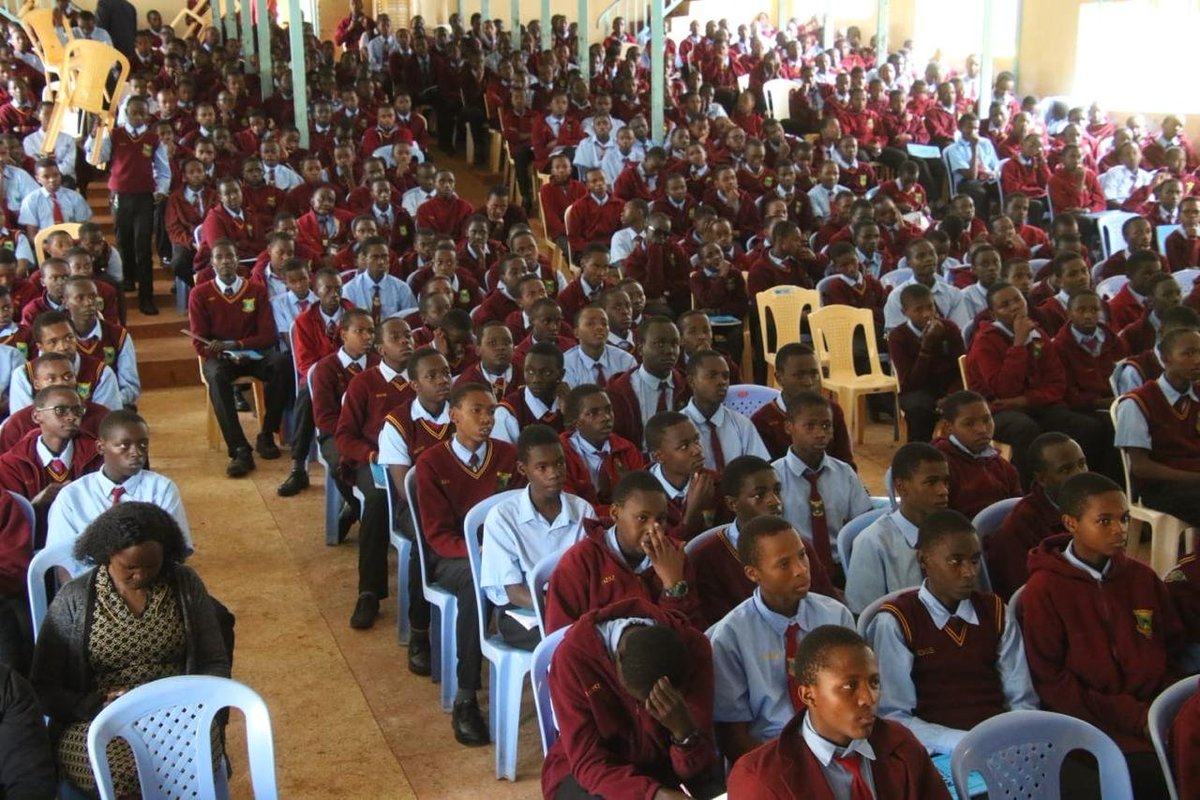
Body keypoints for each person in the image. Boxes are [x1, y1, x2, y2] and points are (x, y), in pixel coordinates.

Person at [31, 502, 230, 797]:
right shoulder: (74, 598)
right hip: (97, 719)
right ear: (107, 555)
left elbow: (214, 660)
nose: (142, 576)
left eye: (152, 566)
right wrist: (91, 705)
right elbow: (43, 685)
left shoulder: (184, 584)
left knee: (185, 763)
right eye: (130, 568)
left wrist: (194, 707)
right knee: (123, 775)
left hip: (177, 713)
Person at [1021, 472, 1182, 799]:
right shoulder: (1044, 590)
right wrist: (1134, 717)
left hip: (1153, 713)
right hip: (1091, 725)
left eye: (1123, 519)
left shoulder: (1142, 578)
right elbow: (1052, 681)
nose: (1119, 529)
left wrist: (1163, 708)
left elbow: (1172, 650)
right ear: (1071, 523)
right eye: (1104, 521)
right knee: (1155, 778)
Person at [865, 509, 1038, 755]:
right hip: (933, 750)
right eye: (955, 561)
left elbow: (1021, 699)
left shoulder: (996, 611)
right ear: (924, 561)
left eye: (975, 560)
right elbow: (894, 715)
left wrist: (1012, 740)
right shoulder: (897, 620)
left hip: (1001, 743)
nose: (969, 572)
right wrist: (964, 743)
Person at [413, 383, 522, 747]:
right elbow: (437, 535)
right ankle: (466, 696)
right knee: (476, 586)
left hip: (503, 553)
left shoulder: (508, 455)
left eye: (490, 411)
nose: (487, 419)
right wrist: (482, 557)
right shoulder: (431, 462)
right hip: (454, 557)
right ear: (453, 415)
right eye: (476, 411)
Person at [726, 625, 951, 799]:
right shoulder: (760, 778)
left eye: (874, 683)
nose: (869, 698)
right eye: (849, 686)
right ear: (808, 695)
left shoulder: (901, 744)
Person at [540, 598, 725, 800]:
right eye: (643, 701)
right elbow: (588, 763)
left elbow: (701, 765)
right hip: (595, 770)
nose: (648, 711)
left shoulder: (695, 647)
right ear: (617, 658)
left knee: (725, 789)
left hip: (666, 761)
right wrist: (654, 795)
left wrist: (684, 732)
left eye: (658, 703)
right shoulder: (572, 659)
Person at [708, 515, 854, 763]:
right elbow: (733, 736)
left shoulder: (835, 615)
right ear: (753, 573)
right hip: (770, 755)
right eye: (784, 564)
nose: (801, 569)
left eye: (802, 555)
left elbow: (855, 697)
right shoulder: (730, 637)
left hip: (838, 746)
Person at [966, 281, 1106, 485]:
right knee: (1025, 429)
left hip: (1034, 404)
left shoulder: (1038, 334)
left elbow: (1057, 382)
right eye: (1005, 305)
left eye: (1017, 300)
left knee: (1088, 427)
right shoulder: (985, 342)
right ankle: (1030, 491)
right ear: (994, 314)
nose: (1014, 307)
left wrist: (1026, 400)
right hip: (996, 411)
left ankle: (1088, 484)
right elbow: (1003, 390)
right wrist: (1019, 345)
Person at [479, 424, 594, 650]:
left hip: (575, 604)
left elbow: (590, 571)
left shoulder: (583, 511)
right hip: (523, 610)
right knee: (568, 643)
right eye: (542, 467)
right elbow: (514, 592)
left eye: (559, 463)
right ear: (523, 469)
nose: (554, 473)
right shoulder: (502, 518)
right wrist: (559, 609)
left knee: (598, 637)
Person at [545, 470, 703, 632]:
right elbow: (559, 640)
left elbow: (692, 633)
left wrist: (673, 585)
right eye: (642, 518)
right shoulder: (580, 562)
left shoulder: (674, 556)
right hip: (600, 655)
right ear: (615, 513)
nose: (653, 529)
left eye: (661, 519)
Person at [188, 239, 291, 477]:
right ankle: (239, 449)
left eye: (230, 256)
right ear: (211, 263)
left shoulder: (256, 290)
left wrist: (239, 346)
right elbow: (198, 341)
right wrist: (225, 352)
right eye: (219, 257)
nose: (226, 262)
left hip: (253, 353)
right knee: (214, 376)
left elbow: (267, 335)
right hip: (221, 358)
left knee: (281, 363)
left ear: (238, 261)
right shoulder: (200, 294)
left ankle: (266, 434)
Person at [46, 409, 190, 571]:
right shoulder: (72, 496)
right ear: (100, 447)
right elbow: (61, 563)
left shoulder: (161, 489)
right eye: (124, 445)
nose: (136, 453)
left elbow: (176, 553)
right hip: (89, 588)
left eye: (143, 444)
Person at [773, 391, 872, 583]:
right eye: (810, 426)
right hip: (795, 572)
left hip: (842, 568)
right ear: (789, 427)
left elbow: (863, 525)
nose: (820, 434)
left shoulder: (844, 473)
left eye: (826, 426)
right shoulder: (773, 477)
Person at [845, 443, 950, 613]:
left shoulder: (954, 534)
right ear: (901, 487)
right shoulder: (873, 543)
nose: (943, 491)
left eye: (945, 482)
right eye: (931, 482)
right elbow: (864, 615)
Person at [88, 96, 170, 316]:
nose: (138, 117)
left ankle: (147, 297)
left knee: (143, 246)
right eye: (134, 112)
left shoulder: (153, 139)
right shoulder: (115, 135)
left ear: (148, 114)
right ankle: (129, 279)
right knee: (123, 240)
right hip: (119, 195)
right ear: (126, 113)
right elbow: (95, 158)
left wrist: (161, 190)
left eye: (142, 113)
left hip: (144, 197)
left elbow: (163, 170)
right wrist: (95, 135)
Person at [1114, 327, 1200, 527]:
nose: (1197, 360)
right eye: (1188, 353)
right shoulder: (1137, 402)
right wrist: (1195, 478)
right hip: (1163, 487)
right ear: (1165, 358)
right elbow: (1141, 468)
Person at [750, 343, 854, 465]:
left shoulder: (832, 410)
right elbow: (765, 472)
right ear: (779, 378)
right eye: (799, 375)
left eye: (814, 374)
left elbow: (846, 463)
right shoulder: (763, 420)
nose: (809, 382)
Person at [887, 283, 965, 443]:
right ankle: (919, 455)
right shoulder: (898, 336)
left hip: (949, 387)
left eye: (931, 307)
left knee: (969, 402)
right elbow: (909, 382)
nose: (927, 314)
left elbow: (962, 368)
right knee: (919, 409)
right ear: (905, 312)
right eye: (918, 310)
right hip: (917, 390)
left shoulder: (949, 328)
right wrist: (926, 347)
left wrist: (951, 396)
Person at [933, 390, 1022, 519]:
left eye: (987, 420)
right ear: (948, 427)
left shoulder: (1004, 467)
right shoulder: (938, 465)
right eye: (969, 423)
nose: (982, 429)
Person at [559, 384, 646, 510]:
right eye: (593, 413)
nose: (606, 418)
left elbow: (642, 498)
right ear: (576, 422)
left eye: (608, 410)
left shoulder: (627, 450)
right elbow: (572, 507)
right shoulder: (562, 454)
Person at [681, 349, 769, 471]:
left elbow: (759, 469)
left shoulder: (742, 424)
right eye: (712, 376)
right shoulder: (678, 426)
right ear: (691, 381)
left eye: (725, 376)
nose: (722, 382)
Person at [607, 315, 688, 445]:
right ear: (640, 349)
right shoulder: (620, 390)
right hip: (637, 461)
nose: (669, 351)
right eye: (659, 344)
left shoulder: (688, 386)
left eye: (674, 344)